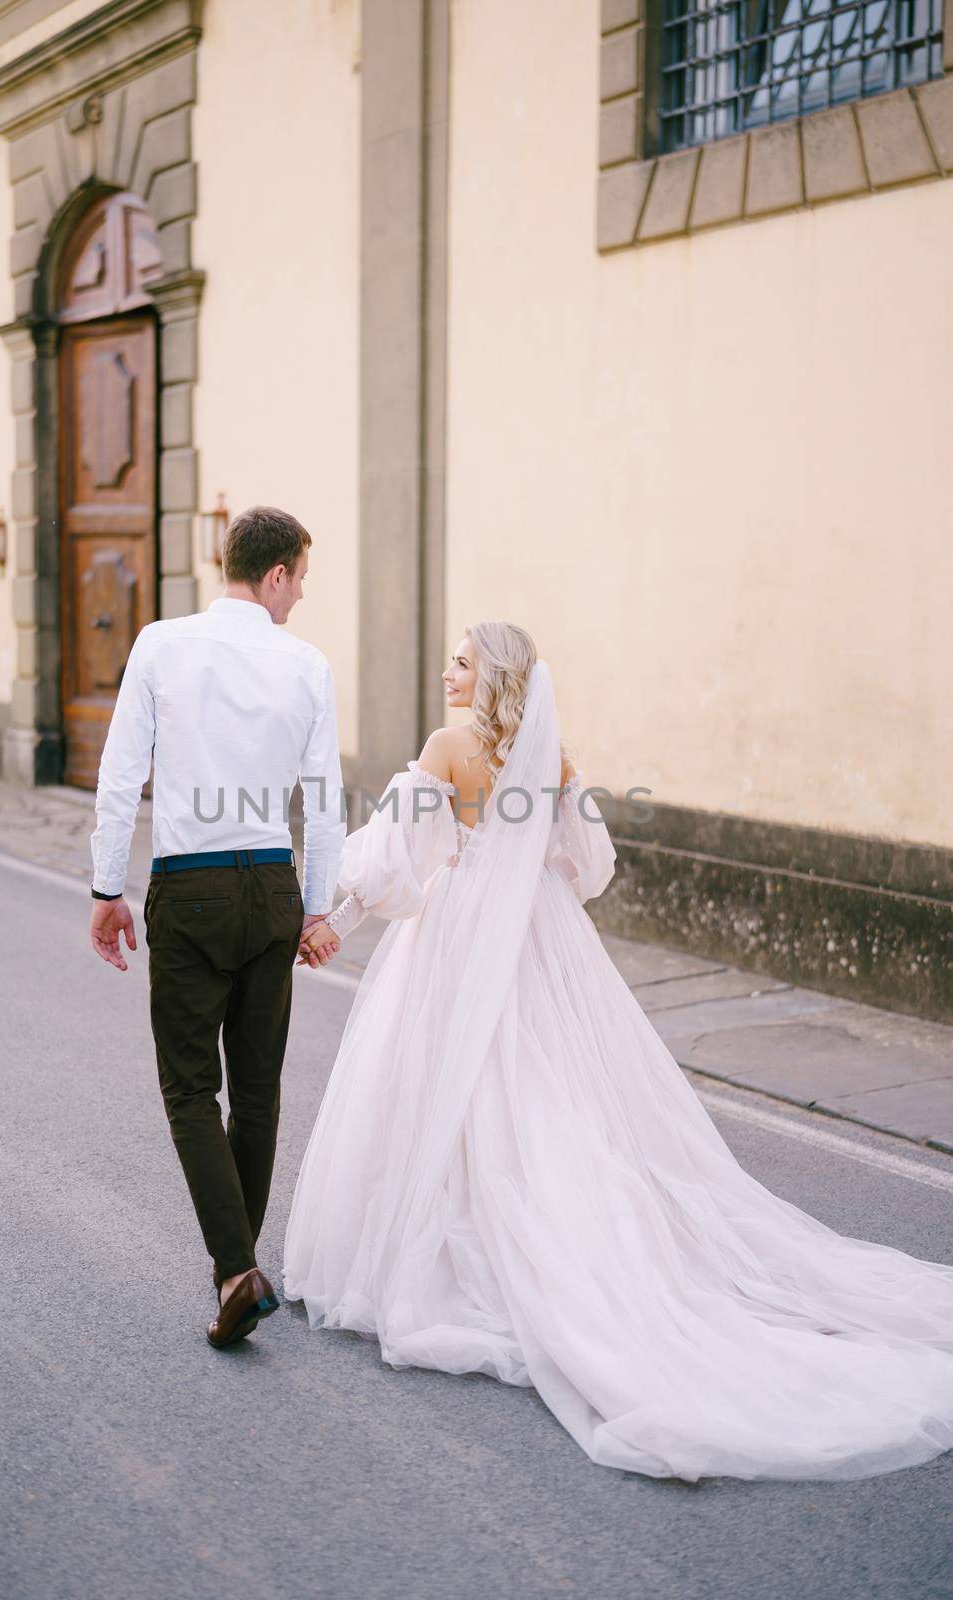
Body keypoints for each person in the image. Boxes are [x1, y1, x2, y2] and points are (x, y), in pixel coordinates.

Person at [285, 620, 953, 1482]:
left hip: (461, 934)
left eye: (461, 660)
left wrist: (334, 925)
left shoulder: (447, 747)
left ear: (489, 675)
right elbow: (587, 866)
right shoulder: (552, 751)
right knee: (544, 1088)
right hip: (537, 932)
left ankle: (465, 1239)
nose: (447, 671)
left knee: (453, 1084)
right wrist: (520, 880)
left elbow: (396, 862)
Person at [89, 506, 346, 1349]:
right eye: (300, 579)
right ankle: (235, 1271)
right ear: (273, 575)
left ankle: (237, 1272)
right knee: (260, 1090)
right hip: (272, 883)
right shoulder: (305, 664)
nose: (300, 595)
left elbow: (122, 773)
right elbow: (326, 804)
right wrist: (315, 907)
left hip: (189, 886)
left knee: (191, 1089)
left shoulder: (162, 644)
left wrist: (105, 888)